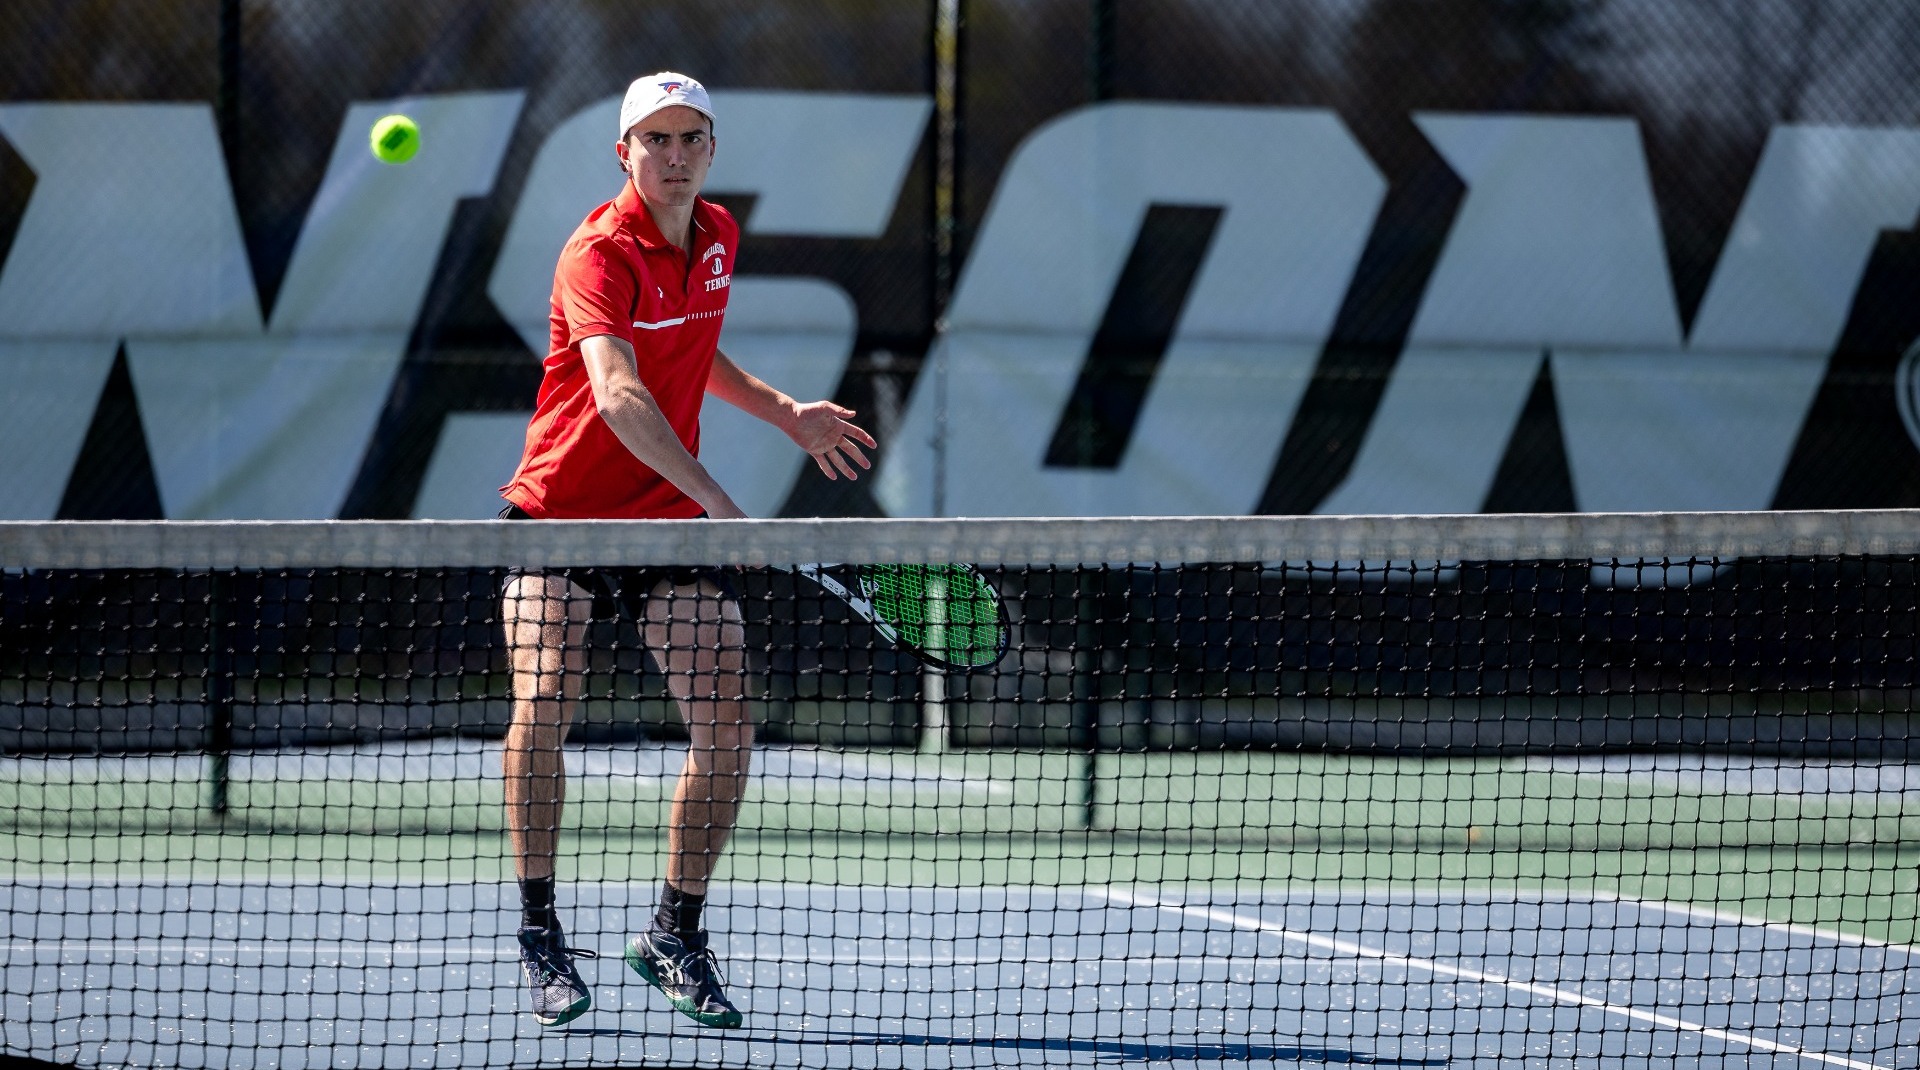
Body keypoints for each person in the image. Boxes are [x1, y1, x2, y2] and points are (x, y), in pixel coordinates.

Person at [496, 72, 875, 1030]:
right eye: (654, 140)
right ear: (624, 152)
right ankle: (541, 935)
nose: (672, 156)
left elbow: (692, 348)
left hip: (667, 524)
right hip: (564, 519)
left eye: (689, 139)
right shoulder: (596, 252)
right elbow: (620, 392)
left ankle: (674, 931)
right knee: (544, 699)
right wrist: (718, 499)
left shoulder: (715, 238)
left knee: (728, 722)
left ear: (711, 150)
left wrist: (784, 412)